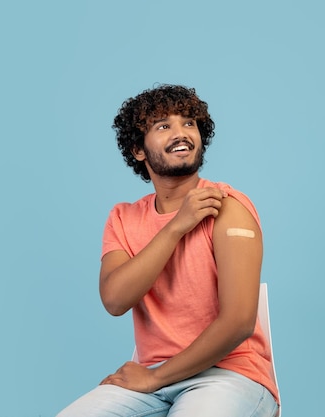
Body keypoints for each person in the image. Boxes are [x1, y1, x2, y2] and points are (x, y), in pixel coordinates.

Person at [57, 84, 279, 417]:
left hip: (230, 375)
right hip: (151, 380)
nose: (182, 133)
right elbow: (115, 300)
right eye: (164, 126)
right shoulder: (124, 218)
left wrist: (153, 377)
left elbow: (239, 322)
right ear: (138, 150)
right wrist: (176, 227)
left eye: (189, 123)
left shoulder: (228, 207)